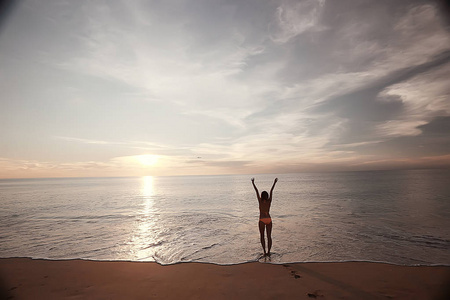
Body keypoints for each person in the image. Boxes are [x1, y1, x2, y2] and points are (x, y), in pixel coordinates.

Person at [251, 177, 278, 257]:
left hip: (262, 219)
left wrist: (253, 183)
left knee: (262, 236)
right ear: (267, 196)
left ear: (262, 196)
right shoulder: (269, 201)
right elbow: (271, 191)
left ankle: (264, 251)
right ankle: (269, 252)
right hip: (269, 219)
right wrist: (274, 183)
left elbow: (256, 191)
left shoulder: (260, 201)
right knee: (269, 236)